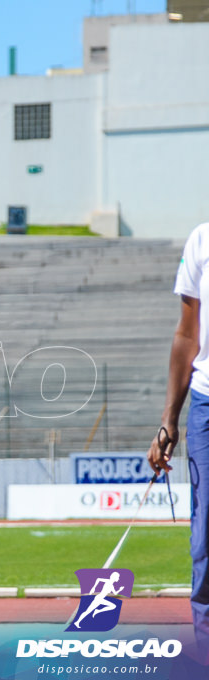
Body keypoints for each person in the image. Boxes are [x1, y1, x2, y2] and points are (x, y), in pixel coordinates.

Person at [148, 220, 209, 661]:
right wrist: (170, 417)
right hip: (207, 405)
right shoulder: (202, 239)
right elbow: (188, 333)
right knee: (206, 537)